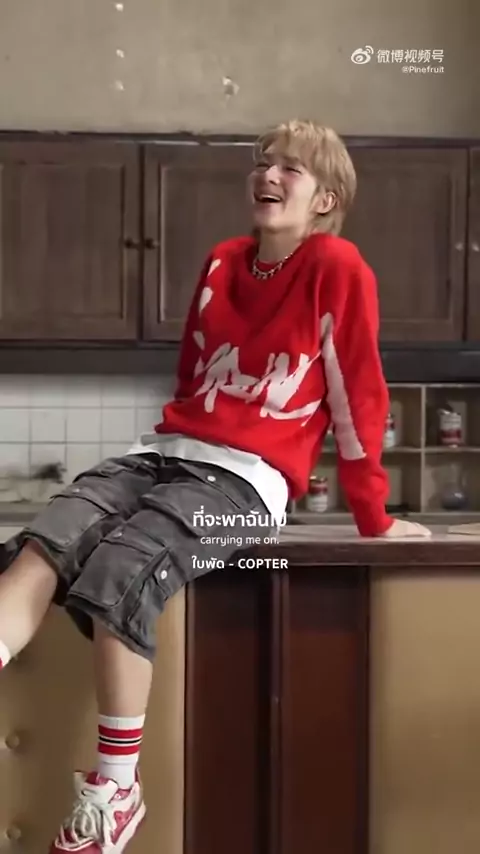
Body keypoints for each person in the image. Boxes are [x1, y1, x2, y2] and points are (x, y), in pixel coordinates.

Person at [0, 118, 431, 854]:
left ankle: (116, 790)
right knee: (47, 539)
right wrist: (169, 442)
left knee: (121, 570)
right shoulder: (223, 262)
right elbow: (194, 377)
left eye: (290, 169)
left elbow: (357, 396)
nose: (268, 175)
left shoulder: (338, 266)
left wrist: (373, 515)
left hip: (249, 486)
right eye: (263, 162)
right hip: (166, 453)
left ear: (325, 199)